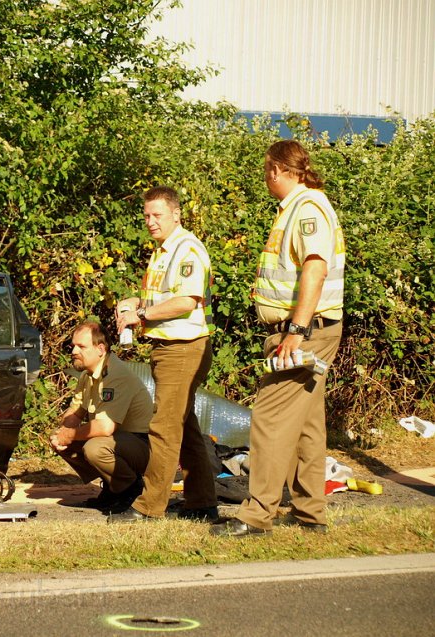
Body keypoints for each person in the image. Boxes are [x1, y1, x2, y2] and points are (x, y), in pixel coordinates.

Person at [211, 140, 345, 537]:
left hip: (305, 331)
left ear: (277, 169)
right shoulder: (299, 208)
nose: (266, 176)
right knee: (307, 426)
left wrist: (296, 331)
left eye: (267, 169)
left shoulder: (307, 209)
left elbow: (315, 270)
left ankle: (256, 516)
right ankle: (310, 514)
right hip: (309, 329)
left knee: (268, 418)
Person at [108, 186, 218, 523]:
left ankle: (149, 506)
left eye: (157, 215)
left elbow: (187, 301)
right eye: (146, 216)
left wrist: (140, 316)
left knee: (164, 428)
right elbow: (166, 300)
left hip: (183, 348)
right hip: (168, 347)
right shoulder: (163, 251)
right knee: (183, 427)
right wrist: (136, 304)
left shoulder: (186, 250)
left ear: (176, 213)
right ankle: (201, 503)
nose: (151, 221)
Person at [50, 320, 153, 511]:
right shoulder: (87, 375)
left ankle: (131, 488)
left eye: (81, 346)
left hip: (142, 444)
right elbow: (76, 411)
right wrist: (62, 433)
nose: (73, 351)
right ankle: (113, 486)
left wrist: (71, 434)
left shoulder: (116, 375)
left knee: (95, 448)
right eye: (73, 346)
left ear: (100, 349)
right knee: (64, 440)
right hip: (117, 442)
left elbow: (105, 427)